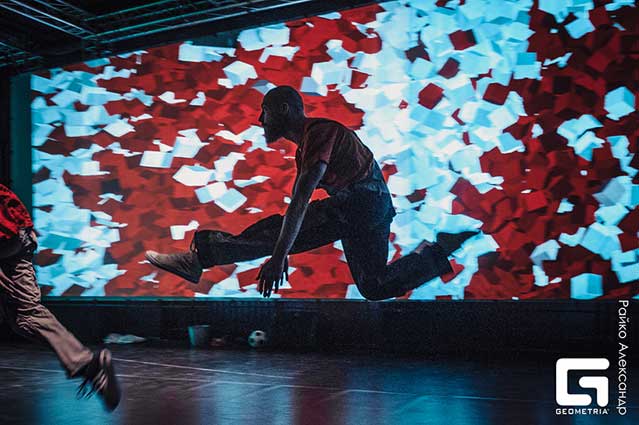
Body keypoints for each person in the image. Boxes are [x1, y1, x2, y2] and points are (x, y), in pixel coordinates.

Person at [146, 85, 476, 300]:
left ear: (285, 109)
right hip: (373, 207)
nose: (261, 119)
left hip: (361, 203)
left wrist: (279, 257)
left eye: (265, 111)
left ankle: (198, 257)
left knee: (275, 233)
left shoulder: (319, 133)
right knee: (374, 285)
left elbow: (300, 202)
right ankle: (438, 253)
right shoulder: (308, 145)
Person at [0, 183, 120, 411]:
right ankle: (89, 366)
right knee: (24, 316)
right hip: (17, 239)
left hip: (9, 240)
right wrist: (26, 229)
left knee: (26, 316)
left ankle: (88, 365)